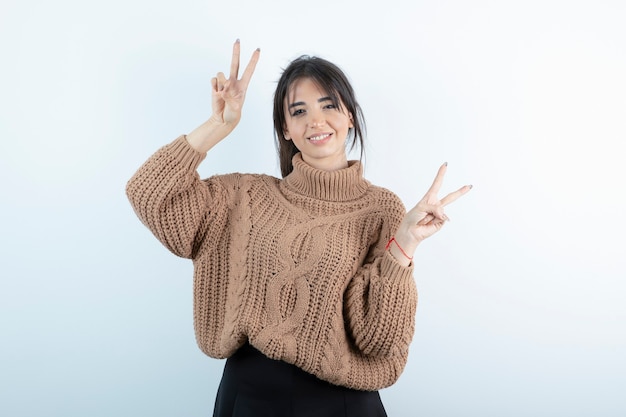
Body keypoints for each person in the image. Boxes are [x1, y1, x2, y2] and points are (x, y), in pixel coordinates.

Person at [126, 39, 471, 417]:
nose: (316, 121)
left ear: (350, 116)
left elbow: (380, 339)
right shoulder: (245, 196)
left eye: (328, 106)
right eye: (299, 111)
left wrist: (405, 243)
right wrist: (217, 125)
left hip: (341, 402)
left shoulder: (382, 208)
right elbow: (148, 193)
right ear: (286, 129)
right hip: (251, 397)